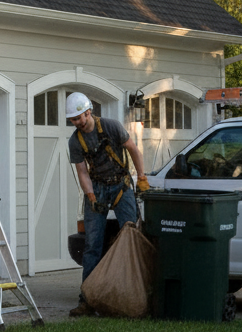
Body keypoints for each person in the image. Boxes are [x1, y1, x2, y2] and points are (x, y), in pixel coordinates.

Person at [66, 91, 150, 317]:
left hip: (121, 186)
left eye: (80, 117)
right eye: (73, 120)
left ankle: (137, 295)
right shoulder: (75, 141)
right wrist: (90, 195)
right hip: (98, 188)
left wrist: (141, 177)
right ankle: (87, 300)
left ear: (88, 111)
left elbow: (133, 149)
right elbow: (82, 171)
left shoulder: (111, 126)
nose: (78, 123)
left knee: (130, 237)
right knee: (92, 246)